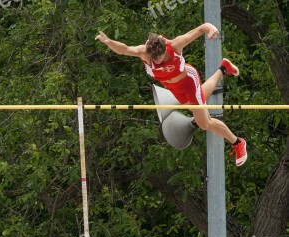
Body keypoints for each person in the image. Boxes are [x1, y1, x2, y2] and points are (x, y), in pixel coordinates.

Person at [95, 24, 247, 167]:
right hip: (174, 88)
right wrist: (108, 41)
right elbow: (124, 49)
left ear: (164, 50)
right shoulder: (145, 53)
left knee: (204, 123)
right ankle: (223, 68)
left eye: (160, 58)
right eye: (154, 59)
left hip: (188, 83)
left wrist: (211, 28)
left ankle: (237, 142)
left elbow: (201, 28)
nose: (157, 61)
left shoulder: (175, 45)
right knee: (197, 101)